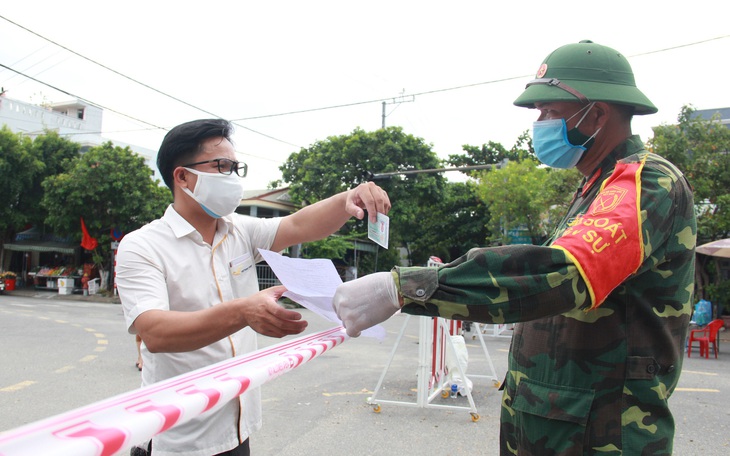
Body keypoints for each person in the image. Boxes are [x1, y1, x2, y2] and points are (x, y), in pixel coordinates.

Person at [333, 40, 696, 455]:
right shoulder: (596, 187)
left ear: (596, 114)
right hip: (558, 423)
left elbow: (560, 273)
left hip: (600, 434)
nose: (539, 122)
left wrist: (406, 286)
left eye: (550, 112)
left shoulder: (645, 182)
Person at [116, 118, 390, 456]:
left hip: (238, 430)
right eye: (222, 166)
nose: (232, 177)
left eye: (235, 168)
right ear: (182, 176)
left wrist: (350, 198)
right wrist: (244, 311)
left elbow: (297, 224)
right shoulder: (142, 246)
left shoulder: (239, 231)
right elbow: (155, 333)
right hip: (179, 441)